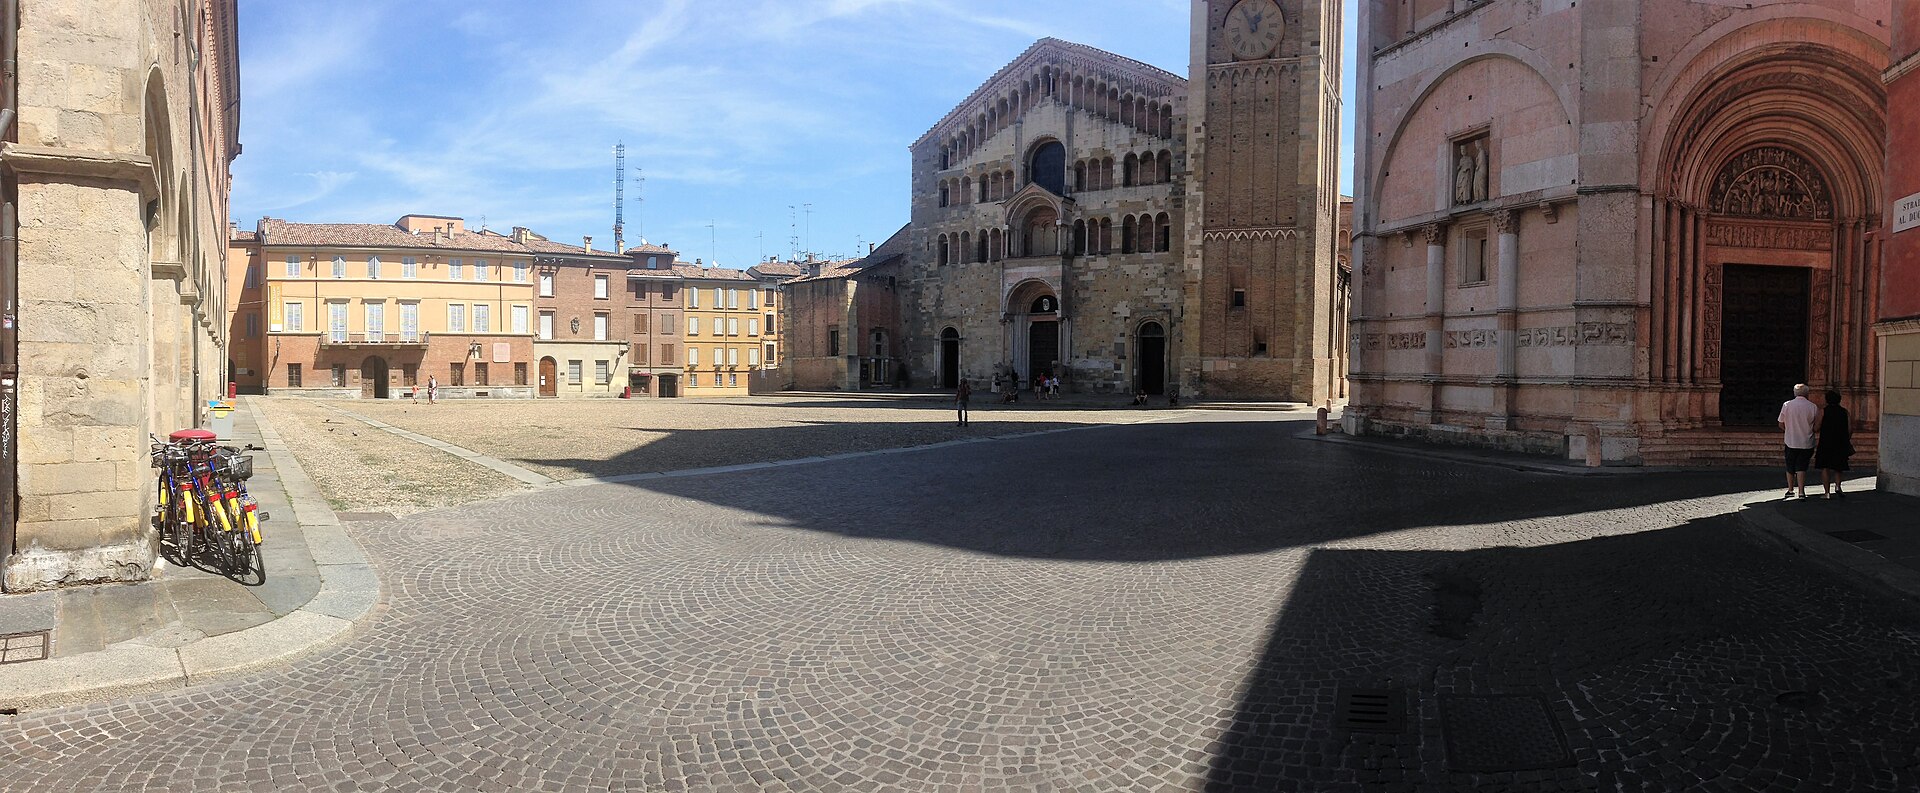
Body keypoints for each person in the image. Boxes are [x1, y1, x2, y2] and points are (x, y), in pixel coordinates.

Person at [1777, 383, 1819, 499]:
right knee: (1802, 466)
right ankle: (1801, 492)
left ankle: (1790, 489)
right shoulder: (1813, 406)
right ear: (1806, 393)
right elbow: (1815, 426)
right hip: (1806, 441)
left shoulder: (1787, 405)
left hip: (1791, 440)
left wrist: (1789, 430)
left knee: (1790, 465)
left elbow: (1781, 423)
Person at [1815, 390, 1854, 499]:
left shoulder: (1823, 411)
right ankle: (1838, 486)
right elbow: (1850, 428)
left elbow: (1817, 427)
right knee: (1839, 466)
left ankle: (1827, 492)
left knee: (1825, 466)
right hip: (1840, 442)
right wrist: (1847, 438)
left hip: (1826, 442)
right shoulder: (1845, 412)